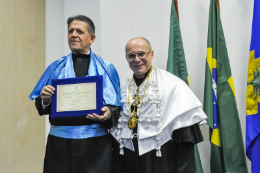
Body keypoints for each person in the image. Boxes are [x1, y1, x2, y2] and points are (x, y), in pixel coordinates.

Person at [29, 15, 121, 173]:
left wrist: (108, 114)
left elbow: (117, 107)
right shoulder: (55, 68)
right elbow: (41, 105)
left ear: (92, 38)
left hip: (96, 146)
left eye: (79, 31)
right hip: (60, 146)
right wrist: (45, 100)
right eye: (70, 31)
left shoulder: (106, 68)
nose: (73, 34)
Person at [110, 37, 207, 173]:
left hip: (163, 159)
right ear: (126, 58)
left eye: (141, 54)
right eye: (131, 55)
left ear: (152, 54)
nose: (137, 59)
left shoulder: (172, 85)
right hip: (133, 160)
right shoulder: (124, 89)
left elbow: (185, 140)